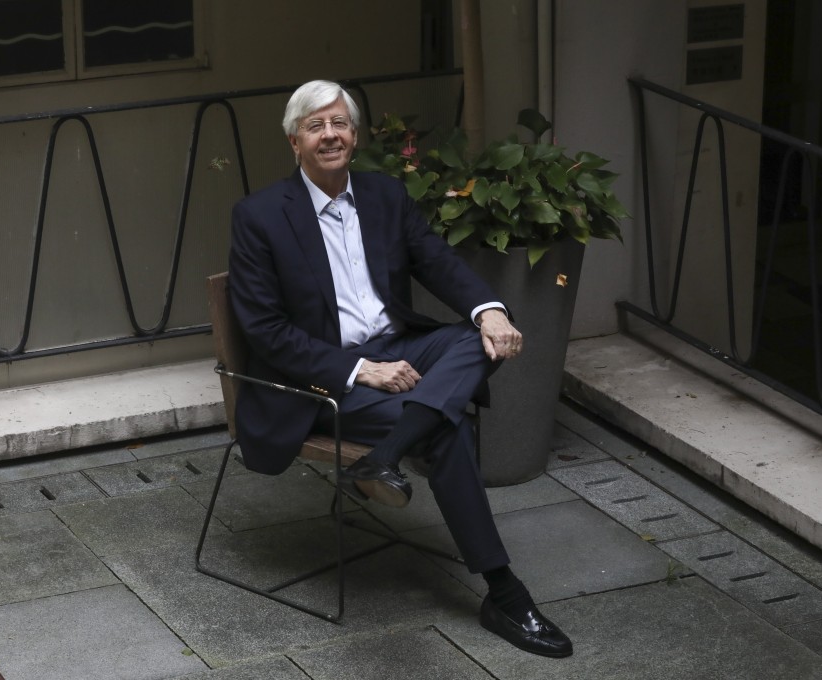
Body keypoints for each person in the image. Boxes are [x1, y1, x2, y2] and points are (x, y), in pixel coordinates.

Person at [227, 79, 572, 659]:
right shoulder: (260, 217)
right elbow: (267, 334)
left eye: (339, 123)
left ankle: (384, 456)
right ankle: (504, 591)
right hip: (325, 381)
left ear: (355, 136)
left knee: (472, 339)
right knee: (448, 428)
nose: (330, 135)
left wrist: (489, 311)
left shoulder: (385, 197)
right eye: (316, 127)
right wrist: (362, 369)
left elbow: (437, 262)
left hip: (402, 352)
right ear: (294, 142)